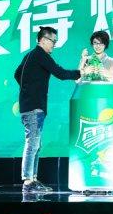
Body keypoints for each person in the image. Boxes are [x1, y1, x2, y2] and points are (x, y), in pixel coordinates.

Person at [14, 26, 85, 193]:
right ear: (44, 40)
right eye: (53, 41)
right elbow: (60, 73)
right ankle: (28, 181)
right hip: (33, 106)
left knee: (36, 144)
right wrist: (79, 73)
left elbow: (17, 74)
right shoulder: (40, 55)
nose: (54, 44)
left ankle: (33, 179)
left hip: (30, 105)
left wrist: (28, 89)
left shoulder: (30, 55)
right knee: (32, 144)